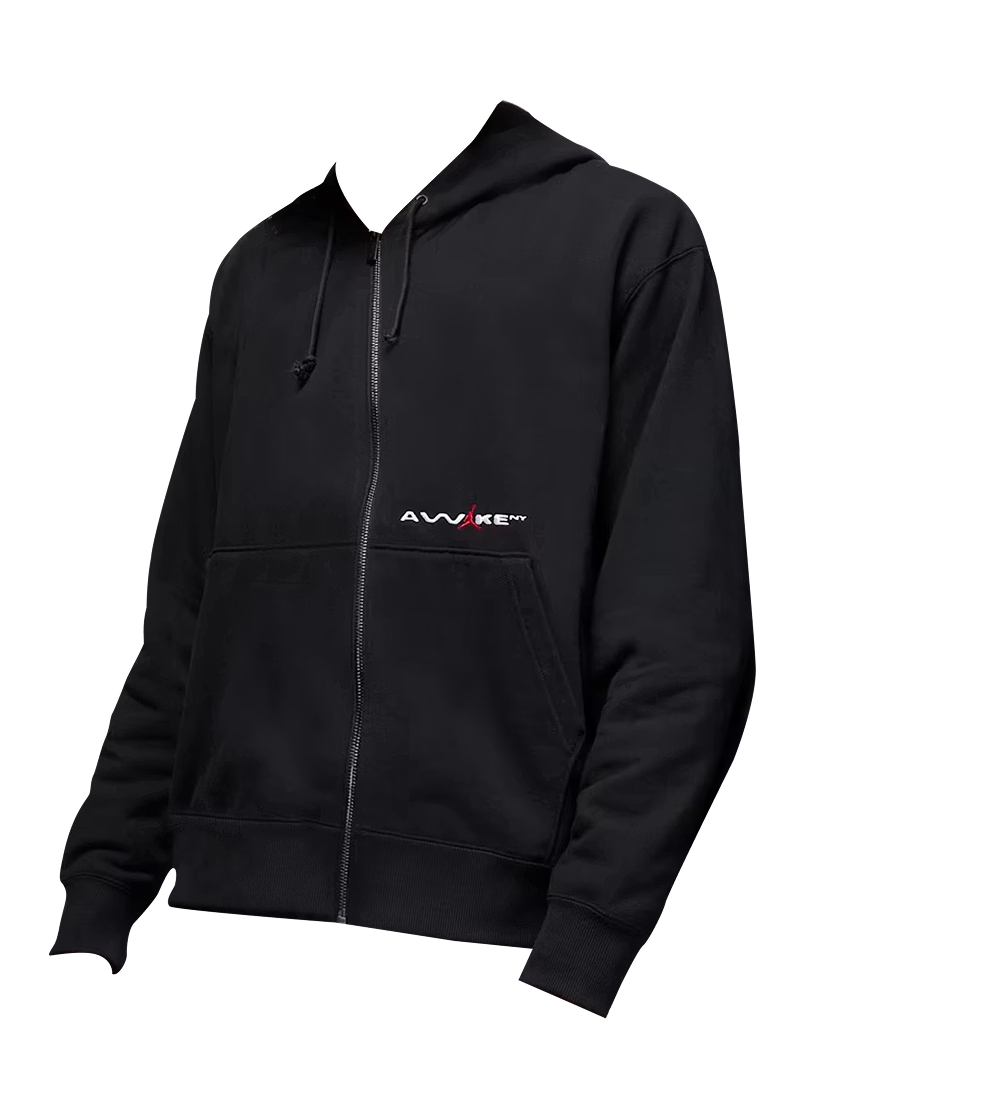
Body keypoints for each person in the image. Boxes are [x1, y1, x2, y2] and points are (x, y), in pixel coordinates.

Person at [49, 92, 755, 1018]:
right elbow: (181, 628)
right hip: (216, 927)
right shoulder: (256, 270)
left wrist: (588, 938)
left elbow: (683, 638)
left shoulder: (629, 237)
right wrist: (100, 898)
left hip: (505, 949)